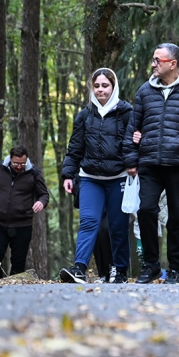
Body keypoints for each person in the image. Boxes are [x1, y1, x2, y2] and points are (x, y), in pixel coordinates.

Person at [123, 43, 179, 284]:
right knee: (146, 209)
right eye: (153, 59)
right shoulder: (144, 91)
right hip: (150, 163)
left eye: (157, 60)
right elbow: (133, 128)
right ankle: (151, 265)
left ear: (172, 64)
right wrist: (131, 159)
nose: (153, 64)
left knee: (178, 216)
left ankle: (175, 268)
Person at [58, 68, 133, 284]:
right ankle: (79, 268)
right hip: (90, 178)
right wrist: (68, 175)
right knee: (89, 222)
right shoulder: (84, 115)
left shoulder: (126, 112)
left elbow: (133, 143)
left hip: (118, 178)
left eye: (105, 86)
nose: (101, 90)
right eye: (97, 86)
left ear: (113, 87)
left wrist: (133, 164)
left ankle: (120, 271)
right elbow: (75, 149)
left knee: (117, 226)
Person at [0, 145, 49, 280]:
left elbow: (44, 194)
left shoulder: (33, 173)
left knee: (18, 264)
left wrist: (41, 202)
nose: (19, 166)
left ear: (27, 160)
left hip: (22, 225)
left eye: (22, 163)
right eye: (16, 163)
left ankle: (14, 290)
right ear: (10, 159)